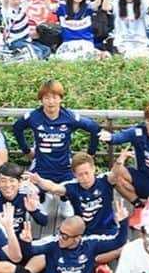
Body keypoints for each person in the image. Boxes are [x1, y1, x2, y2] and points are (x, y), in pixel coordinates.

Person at [22, 151, 124, 273]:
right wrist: (39, 181)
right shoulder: (72, 186)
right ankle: (96, 265)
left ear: (94, 169)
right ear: (75, 175)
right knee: (64, 247)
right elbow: (54, 187)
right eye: (80, 175)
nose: (85, 178)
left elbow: (115, 174)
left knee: (113, 249)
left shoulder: (104, 181)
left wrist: (119, 162)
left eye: (87, 173)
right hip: (82, 235)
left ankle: (99, 262)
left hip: (107, 231)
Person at [12, 79, 110, 215]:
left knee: (70, 210)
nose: (51, 102)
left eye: (54, 97)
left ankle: (64, 199)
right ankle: (44, 196)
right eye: (47, 98)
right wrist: (27, 150)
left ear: (60, 99)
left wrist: (90, 154)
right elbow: (17, 128)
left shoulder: (69, 117)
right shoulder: (33, 117)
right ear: (41, 100)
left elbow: (95, 129)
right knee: (27, 191)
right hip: (41, 165)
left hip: (64, 166)